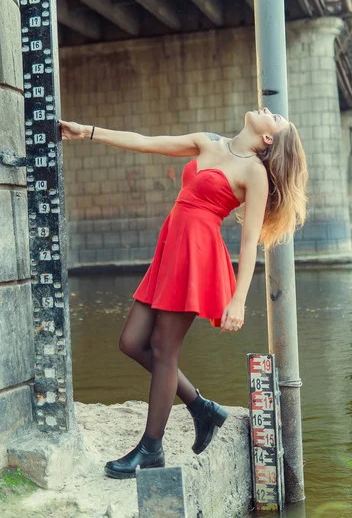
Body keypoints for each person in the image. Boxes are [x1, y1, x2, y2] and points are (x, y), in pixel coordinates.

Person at [58, 107, 308, 479]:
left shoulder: (254, 174)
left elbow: (250, 241)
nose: (266, 109)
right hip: (171, 245)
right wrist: (87, 131)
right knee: (130, 342)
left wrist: (238, 299)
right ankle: (202, 408)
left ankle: (151, 448)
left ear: (269, 139)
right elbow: (144, 143)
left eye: (274, 117)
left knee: (163, 349)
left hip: (198, 256)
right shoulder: (207, 141)